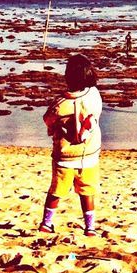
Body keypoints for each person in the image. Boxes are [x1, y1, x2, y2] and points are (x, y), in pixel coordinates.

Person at [39, 52, 102, 236]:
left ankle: (46, 223)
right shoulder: (94, 96)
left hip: (64, 156)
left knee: (56, 191)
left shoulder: (60, 104)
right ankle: (90, 227)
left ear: (68, 77)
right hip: (88, 155)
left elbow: (47, 120)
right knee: (87, 191)